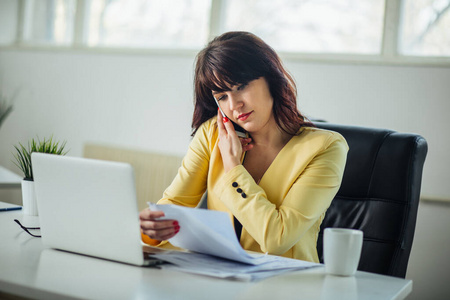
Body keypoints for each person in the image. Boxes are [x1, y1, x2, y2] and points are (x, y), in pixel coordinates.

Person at [139, 31, 348, 263]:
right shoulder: (212, 135)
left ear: (271, 78)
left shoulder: (326, 148)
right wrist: (151, 228)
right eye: (222, 96)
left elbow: (276, 239)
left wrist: (233, 168)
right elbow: (175, 205)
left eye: (241, 87)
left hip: (287, 285)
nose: (235, 104)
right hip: (219, 279)